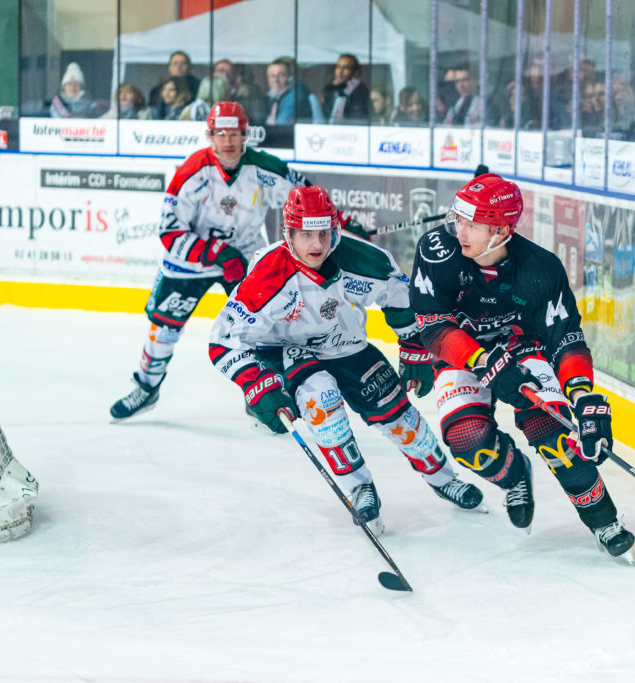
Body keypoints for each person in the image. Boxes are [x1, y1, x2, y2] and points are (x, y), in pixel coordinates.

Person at [207, 185, 484, 530]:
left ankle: (443, 479)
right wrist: (256, 384)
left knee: (400, 417)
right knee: (323, 403)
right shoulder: (267, 275)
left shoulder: (364, 260)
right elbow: (222, 341)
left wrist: (414, 348)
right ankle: (359, 488)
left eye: (324, 232)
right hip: (286, 351)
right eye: (305, 234)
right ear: (287, 232)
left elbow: (402, 299)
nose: (317, 245)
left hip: (348, 348)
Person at [408, 173, 635, 559]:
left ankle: (603, 520)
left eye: (473, 225)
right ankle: (516, 475)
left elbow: (566, 339)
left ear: (501, 230)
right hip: (463, 352)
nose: (459, 231)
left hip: (521, 348)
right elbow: (433, 328)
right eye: (458, 219)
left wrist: (582, 395)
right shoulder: (437, 250)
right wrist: (482, 360)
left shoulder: (541, 269)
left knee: (556, 435)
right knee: (468, 443)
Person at [110, 102, 309, 420]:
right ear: (209, 135)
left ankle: (264, 394)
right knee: (163, 329)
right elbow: (170, 232)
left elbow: (307, 197)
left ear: (246, 134)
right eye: (220, 134)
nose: (228, 141)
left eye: (234, 134)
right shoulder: (190, 172)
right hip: (191, 261)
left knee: (262, 327)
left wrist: (342, 220)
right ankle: (147, 388)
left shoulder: (265, 168)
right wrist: (215, 252)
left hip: (245, 254)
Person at [266, 57, 323, 125]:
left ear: (290, 78)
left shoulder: (295, 98)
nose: (276, 80)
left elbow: (280, 125)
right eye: (272, 76)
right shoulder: (272, 98)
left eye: (281, 75)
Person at [322, 54, 370, 125]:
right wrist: (331, 88)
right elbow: (325, 113)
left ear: (355, 72)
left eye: (346, 68)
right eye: (338, 67)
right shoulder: (331, 89)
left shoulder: (360, 91)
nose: (340, 72)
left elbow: (357, 116)